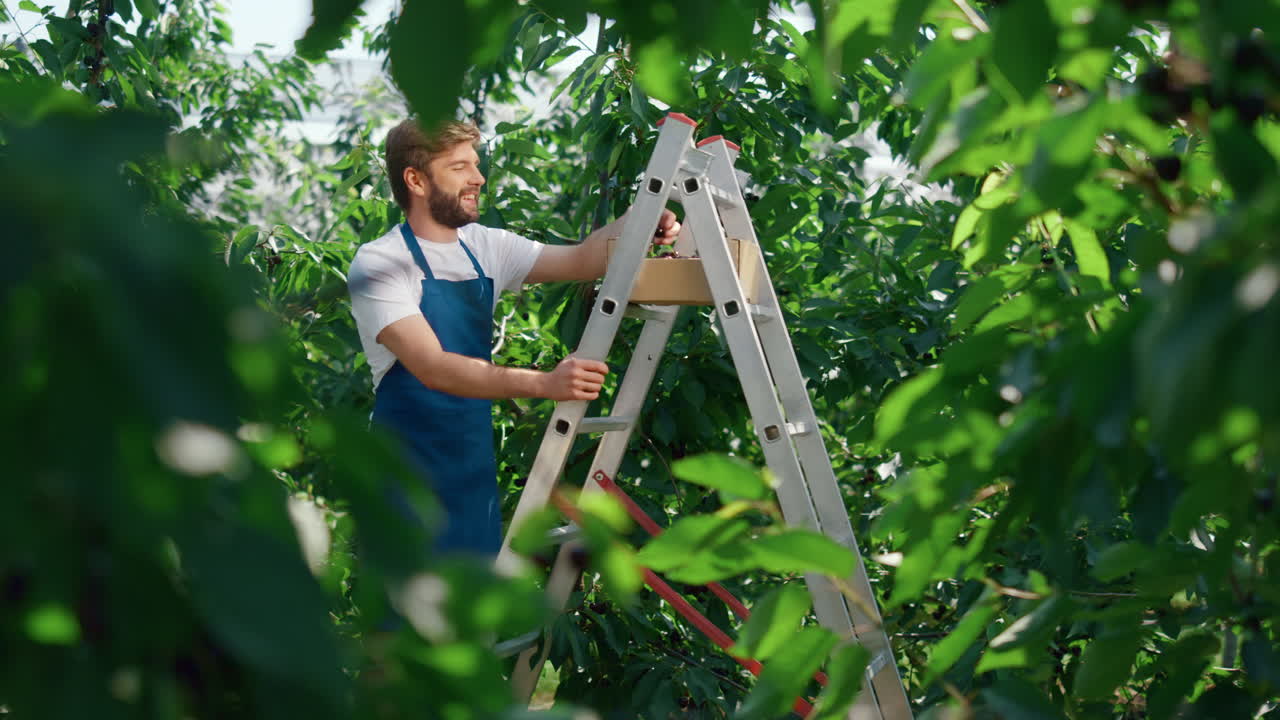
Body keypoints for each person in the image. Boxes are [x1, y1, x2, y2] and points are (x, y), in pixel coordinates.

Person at [347, 118, 679, 556]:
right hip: (405, 486)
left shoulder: (485, 246)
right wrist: (544, 383)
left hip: (471, 476)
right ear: (416, 180)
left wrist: (640, 222)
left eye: (477, 164)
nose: (478, 178)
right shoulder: (380, 263)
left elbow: (583, 259)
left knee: (475, 618)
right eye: (460, 167)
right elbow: (433, 366)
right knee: (408, 619)